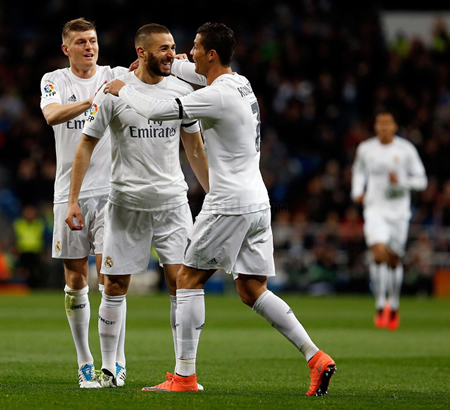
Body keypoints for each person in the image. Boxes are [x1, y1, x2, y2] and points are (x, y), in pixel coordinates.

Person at [104, 22, 336, 396]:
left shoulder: (217, 96)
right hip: (258, 202)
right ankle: (315, 356)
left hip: (229, 202)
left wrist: (124, 89)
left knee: (186, 280)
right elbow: (186, 68)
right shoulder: (240, 83)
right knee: (250, 288)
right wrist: (164, 62)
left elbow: (160, 110)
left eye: (193, 47)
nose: (185, 53)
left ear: (211, 54)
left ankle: (183, 377)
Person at [65, 23, 209, 388]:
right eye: (162, 48)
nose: (171, 55)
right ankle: (111, 370)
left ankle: (183, 371)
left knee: (183, 284)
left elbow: (194, 146)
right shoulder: (113, 94)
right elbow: (85, 144)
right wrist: (73, 200)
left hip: (172, 204)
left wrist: (212, 193)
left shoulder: (182, 91)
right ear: (141, 53)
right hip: (125, 204)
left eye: (173, 47)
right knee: (113, 285)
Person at [40, 17, 132, 388]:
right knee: (76, 278)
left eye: (92, 40)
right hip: (70, 194)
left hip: (112, 192)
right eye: (80, 42)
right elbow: (51, 115)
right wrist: (92, 103)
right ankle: (85, 363)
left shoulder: (114, 72)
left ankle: (117, 361)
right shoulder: (54, 80)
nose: (89, 47)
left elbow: (147, 76)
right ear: (66, 49)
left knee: (112, 278)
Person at [352, 110, 427, 330]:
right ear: (376, 127)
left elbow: (422, 181)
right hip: (374, 208)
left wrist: (401, 182)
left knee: (394, 260)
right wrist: (358, 191)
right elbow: (358, 170)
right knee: (377, 252)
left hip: (399, 213)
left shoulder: (406, 150)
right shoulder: (366, 149)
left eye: (388, 123)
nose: (384, 127)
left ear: (394, 127)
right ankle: (379, 303)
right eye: (380, 123)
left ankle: (393, 303)